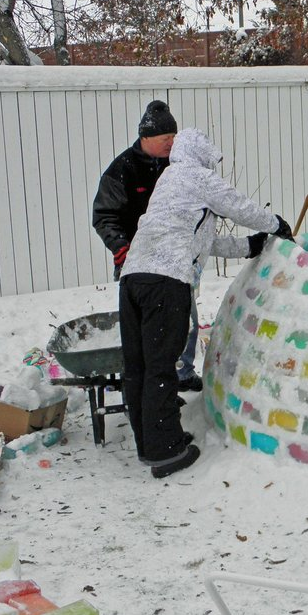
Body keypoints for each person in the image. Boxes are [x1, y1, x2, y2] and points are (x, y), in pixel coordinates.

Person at [118, 127, 293, 478]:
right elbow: (240, 207)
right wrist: (276, 224)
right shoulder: (194, 176)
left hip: (133, 280)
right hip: (164, 283)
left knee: (139, 367)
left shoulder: (168, 185)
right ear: (200, 156)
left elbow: (204, 241)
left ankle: (150, 442)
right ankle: (166, 453)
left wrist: (250, 246)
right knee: (161, 367)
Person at [91, 100, 203, 392]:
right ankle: (149, 385)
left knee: (186, 319)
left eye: (173, 138)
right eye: (165, 138)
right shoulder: (122, 170)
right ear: (145, 138)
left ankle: (183, 372)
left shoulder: (177, 167)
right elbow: (104, 215)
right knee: (145, 329)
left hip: (176, 260)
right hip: (137, 263)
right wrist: (121, 248)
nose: (171, 143)